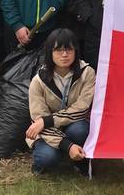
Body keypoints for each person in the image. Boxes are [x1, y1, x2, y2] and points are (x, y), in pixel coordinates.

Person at [26, 29, 95, 176]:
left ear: (76, 51)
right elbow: (38, 120)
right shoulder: (38, 81)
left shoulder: (87, 73)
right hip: (47, 132)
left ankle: (81, 160)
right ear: (49, 53)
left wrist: (47, 120)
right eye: (58, 50)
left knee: (80, 130)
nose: (64, 55)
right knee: (48, 157)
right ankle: (47, 159)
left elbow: (82, 109)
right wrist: (68, 146)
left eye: (69, 49)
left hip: (74, 124)